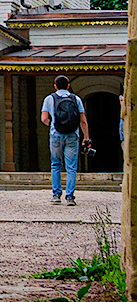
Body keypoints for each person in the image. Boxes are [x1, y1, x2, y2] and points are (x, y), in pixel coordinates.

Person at [39, 75, 91, 206]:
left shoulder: (49, 98)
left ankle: (56, 195)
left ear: (55, 86)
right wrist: (86, 137)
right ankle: (70, 197)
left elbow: (44, 118)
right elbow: (83, 120)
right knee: (71, 167)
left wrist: (52, 124)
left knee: (55, 164)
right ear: (68, 86)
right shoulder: (76, 99)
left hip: (56, 134)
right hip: (73, 134)